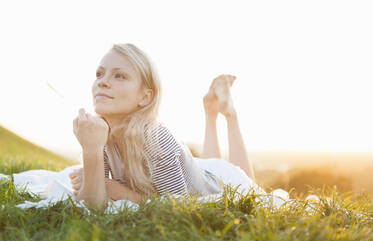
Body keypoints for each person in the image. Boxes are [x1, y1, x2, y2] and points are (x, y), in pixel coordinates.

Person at [69, 43, 258, 209]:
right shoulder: (99, 132)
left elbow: (179, 206)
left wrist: (119, 191)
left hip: (224, 181)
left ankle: (229, 114)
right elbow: (92, 207)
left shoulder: (156, 138)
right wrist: (91, 150)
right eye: (99, 74)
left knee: (251, 187)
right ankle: (210, 110)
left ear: (145, 97)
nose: (102, 82)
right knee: (204, 168)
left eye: (119, 76)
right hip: (196, 171)